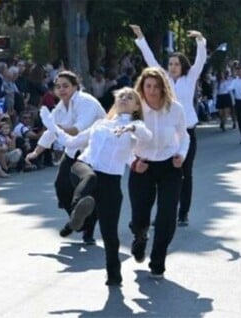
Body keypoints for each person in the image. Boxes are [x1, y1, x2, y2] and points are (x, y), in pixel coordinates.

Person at [35, 87, 152, 285]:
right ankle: (78, 213)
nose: (124, 98)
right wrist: (51, 125)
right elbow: (71, 142)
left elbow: (146, 136)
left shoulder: (136, 126)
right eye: (120, 95)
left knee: (110, 233)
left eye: (129, 97)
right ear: (115, 101)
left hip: (110, 180)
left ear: (136, 106)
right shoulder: (100, 124)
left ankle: (113, 274)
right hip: (83, 167)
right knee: (89, 178)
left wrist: (131, 128)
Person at [130, 24, 206, 226]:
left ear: (183, 66)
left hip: (186, 132)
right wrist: (140, 37)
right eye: (170, 63)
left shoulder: (190, 79)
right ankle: (163, 214)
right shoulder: (162, 79)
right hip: (164, 133)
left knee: (184, 172)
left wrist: (200, 40)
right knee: (162, 174)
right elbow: (150, 60)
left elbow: (200, 61)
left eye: (176, 64)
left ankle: (183, 213)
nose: (172, 67)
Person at [27, 71, 106, 244]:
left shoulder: (86, 102)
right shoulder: (60, 107)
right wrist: (36, 152)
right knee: (61, 186)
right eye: (58, 86)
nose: (61, 90)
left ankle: (88, 232)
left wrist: (53, 126)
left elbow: (77, 129)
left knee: (87, 190)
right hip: (73, 149)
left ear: (75, 87)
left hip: (95, 152)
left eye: (65, 86)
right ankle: (78, 220)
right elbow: (50, 132)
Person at [129, 67, 190, 279]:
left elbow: (184, 137)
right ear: (142, 88)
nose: (152, 91)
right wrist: (133, 162)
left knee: (167, 216)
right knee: (139, 216)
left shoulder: (175, 109)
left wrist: (181, 154)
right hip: (141, 165)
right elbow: (120, 139)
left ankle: (158, 260)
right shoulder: (134, 109)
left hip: (169, 166)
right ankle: (139, 235)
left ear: (164, 88)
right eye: (148, 86)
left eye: (156, 86)